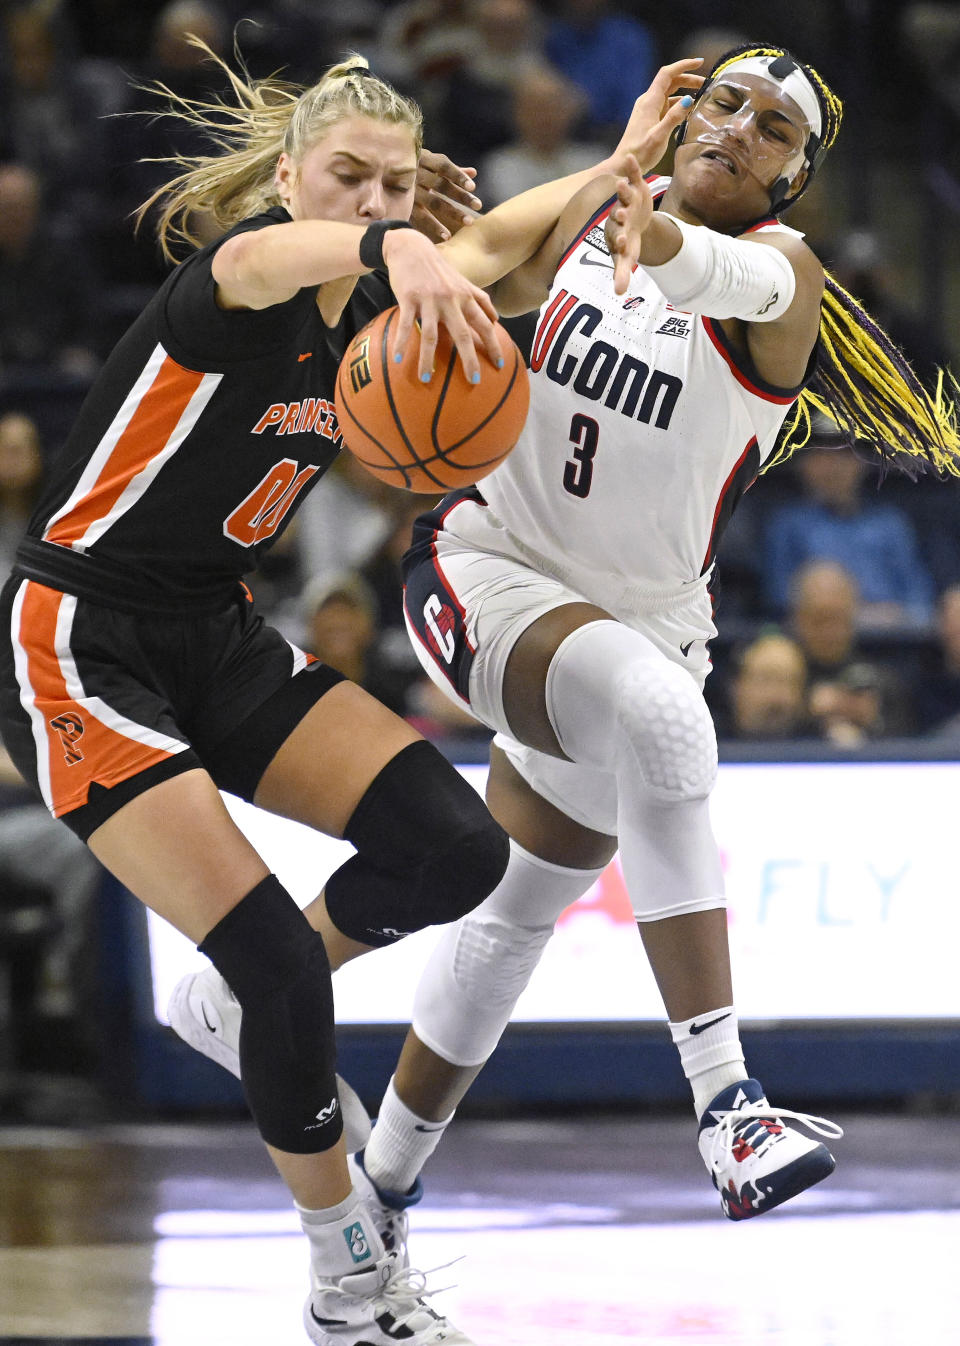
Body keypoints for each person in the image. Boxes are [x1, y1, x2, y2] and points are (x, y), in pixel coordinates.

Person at [175, 41, 960, 1263]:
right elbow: (466, 268)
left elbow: (699, 268)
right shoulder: (590, 220)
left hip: (643, 619)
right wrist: (426, 220)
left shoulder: (785, 271)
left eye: (774, 128)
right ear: (685, 112)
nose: (739, 126)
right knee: (661, 720)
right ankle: (729, 1105)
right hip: (482, 570)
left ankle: (374, 1177)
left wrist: (631, 213)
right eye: (724, 100)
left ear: (797, 178)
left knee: (512, 903)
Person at [0, 41, 699, 1346]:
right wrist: (402, 246)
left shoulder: (384, 303)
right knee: (276, 959)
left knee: (453, 849)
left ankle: (230, 1006)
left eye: (394, 185)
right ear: (287, 178)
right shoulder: (237, 275)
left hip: (215, 633)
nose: (374, 203)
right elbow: (307, 255)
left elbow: (500, 235)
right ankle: (349, 1281)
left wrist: (622, 165)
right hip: (82, 638)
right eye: (346, 179)